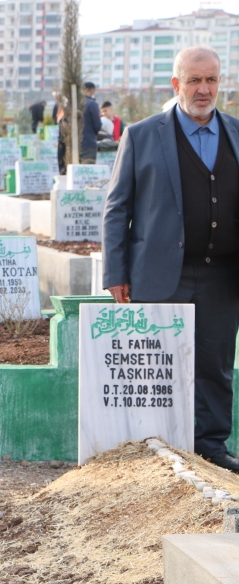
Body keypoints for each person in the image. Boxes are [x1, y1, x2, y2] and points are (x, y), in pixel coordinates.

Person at [103, 47, 239, 472]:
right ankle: (156, 448)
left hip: (223, 275)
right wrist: (115, 273)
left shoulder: (237, 132)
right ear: (176, 84)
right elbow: (117, 208)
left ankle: (212, 447)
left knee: (216, 365)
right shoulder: (143, 135)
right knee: (160, 365)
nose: (204, 90)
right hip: (162, 274)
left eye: (212, 80)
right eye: (195, 81)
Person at [80, 82, 102, 164]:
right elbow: (97, 125)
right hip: (88, 143)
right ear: (92, 90)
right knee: (88, 172)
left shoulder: (74, 104)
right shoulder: (92, 104)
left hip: (73, 144)